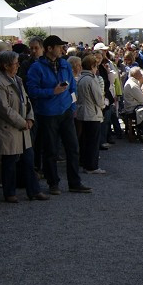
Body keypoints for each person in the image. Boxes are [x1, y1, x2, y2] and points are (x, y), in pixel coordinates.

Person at [26, 36, 91, 195]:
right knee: (50, 150)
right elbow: (32, 91)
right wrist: (51, 92)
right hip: (47, 113)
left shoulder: (64, 65)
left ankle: (74, 182)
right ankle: (53, 183)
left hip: (66, 111)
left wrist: (73, 105)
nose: (62, 49)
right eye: (59, 46)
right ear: (49, 48)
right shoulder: (37, 68)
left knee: (73, 148)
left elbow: (73, 88)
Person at [0, 51, 48, 203]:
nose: (18, 66)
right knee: (9, 162)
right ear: (6, 65)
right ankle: (9, 192)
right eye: (15, 63)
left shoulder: (18, 80)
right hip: (9, 128)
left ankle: (33, 190)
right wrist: (23, 122)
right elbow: (4, 109)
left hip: (22, 128)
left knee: (29, 161)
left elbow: (26, 101)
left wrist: (30, 117)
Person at [76, 53, 106, 174]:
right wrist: (103, 105)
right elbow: (98, 98)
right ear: (92, 66)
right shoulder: (91, 79)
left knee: (85, 140)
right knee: (93, 142)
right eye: (96, 66)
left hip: (82, 112)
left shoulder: (80, 78)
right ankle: (92, 166)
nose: (97, 69)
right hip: (92, 113)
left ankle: (84, 162)